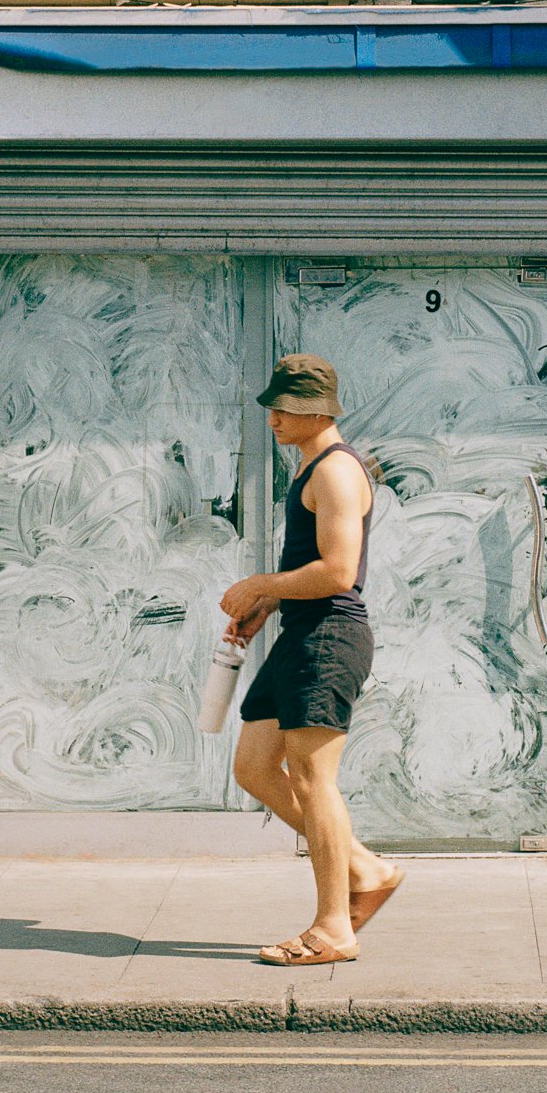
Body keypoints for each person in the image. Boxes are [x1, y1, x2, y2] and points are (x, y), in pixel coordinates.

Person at [220, 353, 403, 966]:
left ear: (317, 410)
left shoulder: (336, 473)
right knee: (253, 766)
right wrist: (269, 604)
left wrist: (259, 585)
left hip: (329, 638)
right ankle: (364, 867)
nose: (273, 417)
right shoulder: (312, 470)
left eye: (284, 407)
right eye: (273, 405)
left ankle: (332, 928)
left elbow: (339, 572)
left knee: (312, 780)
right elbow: (315, 567)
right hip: (302, 634)